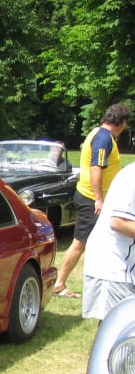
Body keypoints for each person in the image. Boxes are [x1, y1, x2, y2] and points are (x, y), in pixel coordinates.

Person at [52, 102, 130, 298]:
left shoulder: (98, 132)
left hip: (91, 197)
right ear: (121, 123)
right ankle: (59, 283)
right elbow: (96, 167)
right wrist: (98, 199)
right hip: (90, 199)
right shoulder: (104, 138)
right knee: (79, 242)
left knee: (91, 242)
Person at [82, 161, 135, 321]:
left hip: (127, 267)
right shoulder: (131, 176)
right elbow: (118, 222)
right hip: (112, 267)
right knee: (115, 330)